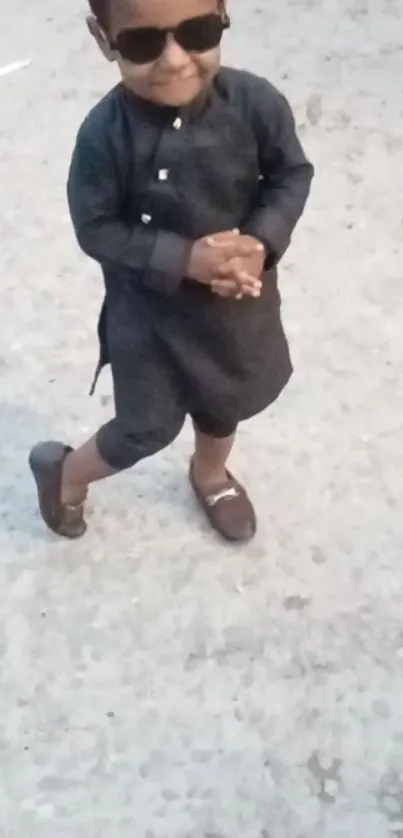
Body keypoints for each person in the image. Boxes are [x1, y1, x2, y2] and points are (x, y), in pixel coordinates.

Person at [29, 0, 314, 543]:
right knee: (144, 427)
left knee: (225, 396)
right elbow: (96, 228)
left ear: (223, 14)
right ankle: (63, 473)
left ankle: (210, 473)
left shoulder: (256, 104)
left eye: (198, 32)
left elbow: (290, 175)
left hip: (237, 304)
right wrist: (183, 259)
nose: (176, 60)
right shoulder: (103, 137)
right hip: (149, 317)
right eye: (142, 43)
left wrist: (260, 241)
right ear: (103, 38)